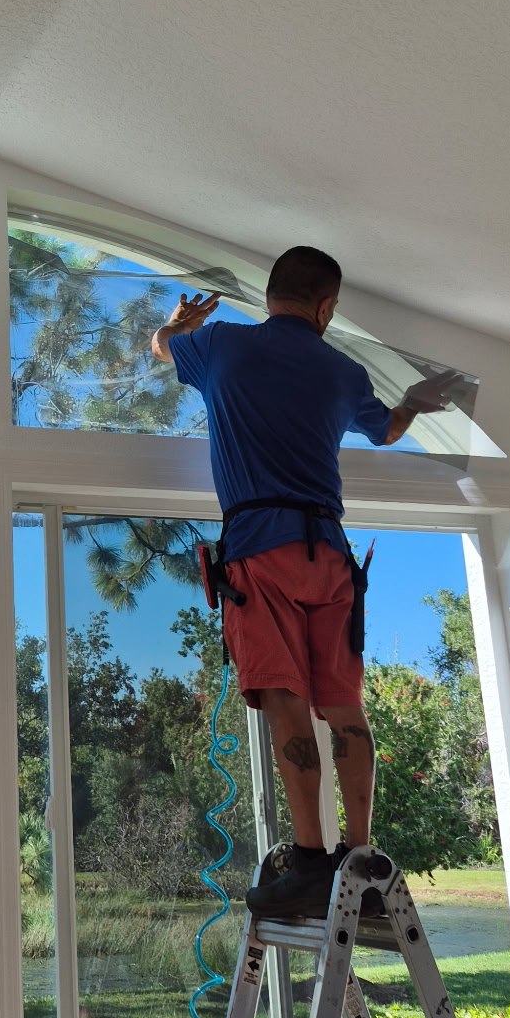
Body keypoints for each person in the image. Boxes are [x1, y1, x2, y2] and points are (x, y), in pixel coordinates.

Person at [151, 245, 457, 919]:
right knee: (344, 706)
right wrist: (415, 399)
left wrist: (179, 322)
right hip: (331, 558)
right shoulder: (343, 371)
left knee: (286, 701)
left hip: (262, 552)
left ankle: (312, 861)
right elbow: (389, 430)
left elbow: (162, 347)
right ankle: (361, 856)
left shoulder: (222, 346)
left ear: (269, 297)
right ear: (327, 308)